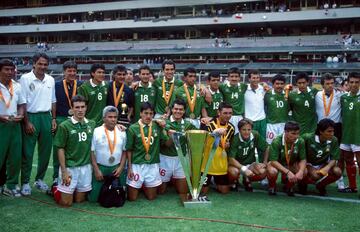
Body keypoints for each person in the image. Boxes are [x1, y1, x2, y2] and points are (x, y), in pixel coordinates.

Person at [20, 52, 56, 195]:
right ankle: (24, 182)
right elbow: (22, 102)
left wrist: (53, 119)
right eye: (40, 63)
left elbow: (53, 101)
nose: (43, 66)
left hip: (46, 117)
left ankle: (39, 179)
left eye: (45, 64)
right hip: (31, 117)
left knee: (45, 152)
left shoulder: (51, 79)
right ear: (33, 63)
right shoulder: (25, 78)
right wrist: (26, 122)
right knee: (28, 152)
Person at [54, 95, 96, 206]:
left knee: (79, 200)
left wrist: (119, 126)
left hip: (86, 168)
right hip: (70, 167)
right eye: (77, 107)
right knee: (66, 203)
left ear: (86, 107)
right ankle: (54, 190)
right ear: (72, 109)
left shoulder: (92, 124)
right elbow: (60, 149)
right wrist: (64, 171)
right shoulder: (64, 126)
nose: (80, 110)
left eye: (82, 107)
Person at [126, 102, 171, 201]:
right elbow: (129, 150)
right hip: (137, 164)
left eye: (151, 114)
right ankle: (140, 185)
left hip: (152, 164)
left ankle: (144, 185)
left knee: (151, 197)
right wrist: (129, 168)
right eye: (146, 113)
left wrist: (164, 127)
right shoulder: (133, 128)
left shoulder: (157, 126)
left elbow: (167, 143)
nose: (148, 116)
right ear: (140, 113)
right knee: (132, 198)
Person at [158, 99, 196, 200]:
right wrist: (172, 136)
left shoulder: (188, 125)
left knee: (183, 191)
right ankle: (170, 179)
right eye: (176, 109)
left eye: (181, 109)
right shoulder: (163, 123)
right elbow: (166, 144)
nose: (178, 111)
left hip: (181, 160)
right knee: (160, 191)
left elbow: (198, 137)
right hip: (165, 159)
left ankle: (174, 178)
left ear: (184, 111)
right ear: (172, 109)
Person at [88, 106, 127, 202]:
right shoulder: (96, 131)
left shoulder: (122, 132)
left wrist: (121, 167)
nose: (113, 119)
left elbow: (124, 151)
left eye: (115, 117)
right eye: (110, 117)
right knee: (93, 199)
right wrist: (96, 169)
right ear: (104, 118)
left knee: (121, 196)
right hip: (101, 167)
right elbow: (92, 152)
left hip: (116, 167)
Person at [0, 59, 26, 197]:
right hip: (1, 124)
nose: (10, 72)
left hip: (14, 124)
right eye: (6, 69)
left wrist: (21, 115)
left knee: (15, 157)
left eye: (12, 69)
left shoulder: (17, 86)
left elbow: (22, 104)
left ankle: (11, 185)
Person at [53, 61, 80, 185]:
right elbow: (53, 103)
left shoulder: (80, 85)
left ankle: (77, 176)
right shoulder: (56, 85)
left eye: (74, 71)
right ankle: (55, 177)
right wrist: (54, 119)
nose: (72, 73)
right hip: (61, 119)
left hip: (76, 121)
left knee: (75, 149)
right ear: (64, 72)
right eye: (69, 71)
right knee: (58, 148)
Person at [201, 102, 235, 194]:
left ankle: (215, 182)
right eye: (225, 113)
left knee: (224, 191)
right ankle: (208, 181)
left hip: (221, 165)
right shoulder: (208, 124)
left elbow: (228, 145)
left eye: (230, 113)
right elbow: (201, 142)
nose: (228, 116)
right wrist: (214, 135)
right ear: (218, 112)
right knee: (202, 192)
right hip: (206, 165)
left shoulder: (231, 128)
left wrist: (226, 146)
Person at [302, 119, 342, 196]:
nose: (332, 134)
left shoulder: (334, 140)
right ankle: (302, 184)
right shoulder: (307, 137)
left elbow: (334, 158)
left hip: (322, 164)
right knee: (314, 175)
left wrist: (327, 167)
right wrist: (307, 166)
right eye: (329, 131)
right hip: (307, 163)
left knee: (338, 171)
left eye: (333, 131)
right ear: (321, 131)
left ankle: (321, 185)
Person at [228, 119, 269, 192]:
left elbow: (267, 147)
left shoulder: (255, 134)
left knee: (263, 172)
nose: (247, 132)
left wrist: (265, 162)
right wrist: (244, 169)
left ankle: (247, 179)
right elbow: (231, 159)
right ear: (239, 130)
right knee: (233, 172)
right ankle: (234, 181)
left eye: (249, 129)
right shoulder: (235, 139)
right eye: (244, 129)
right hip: (237, 166)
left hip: (250, 164)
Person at [267, 121, 306, 196]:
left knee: (304, 171)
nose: (296, 136)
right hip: (277, 164)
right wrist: (288, 172)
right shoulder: (277, 141)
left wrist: (301, 171)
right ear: (285, 132)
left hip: (291, 164)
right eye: (293, 134)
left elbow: (303, 159)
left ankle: (289, 186)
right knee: (272, 171)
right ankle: (272, 186)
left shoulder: (300, 141)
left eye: (298, 133)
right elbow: (273, 161)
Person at [339, 72, 360, 193]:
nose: (354, 85)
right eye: (351, 82)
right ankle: (353, 187)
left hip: (358, 135)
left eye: (357, 82)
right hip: (346, 135)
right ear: (348, 83)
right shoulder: (343, 97)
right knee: (348, 160)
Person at [315, 73, 342, 141]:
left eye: (332, 83)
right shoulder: (317, 95)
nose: (330, 85)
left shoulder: (340, 94)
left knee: (335, 148)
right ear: (322, 85)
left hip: (336, 126)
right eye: (327, 83)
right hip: (321, 126)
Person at [219, 67, 247, 134]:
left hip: (239, 116)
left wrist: (264, 84)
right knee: (227, 136)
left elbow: (256, 85)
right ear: (228, 78)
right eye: (232, 76)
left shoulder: (243, 86)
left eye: (236, 76)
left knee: (238, 136)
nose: (234, 78)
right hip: (228, 116)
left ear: (239, 78)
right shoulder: (222, 87)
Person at [264, 74, 289, 144]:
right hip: (271, 125)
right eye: (277, 84)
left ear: (284, 84)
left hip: (284, 124)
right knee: (270, 144)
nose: (279, 86)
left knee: (283, 145)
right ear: (273, 84)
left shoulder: (288, 94)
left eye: (281, 84)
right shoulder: (267, 94)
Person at [244, 70, 267, 140]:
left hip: (261, 120)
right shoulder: (244, 89)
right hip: (249, 120)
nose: (256, 80)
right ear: (249, 79)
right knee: (251, 142)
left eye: (257, 78)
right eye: (253, 78)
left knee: (262, 142)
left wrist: (265, 84)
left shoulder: (263, 89)